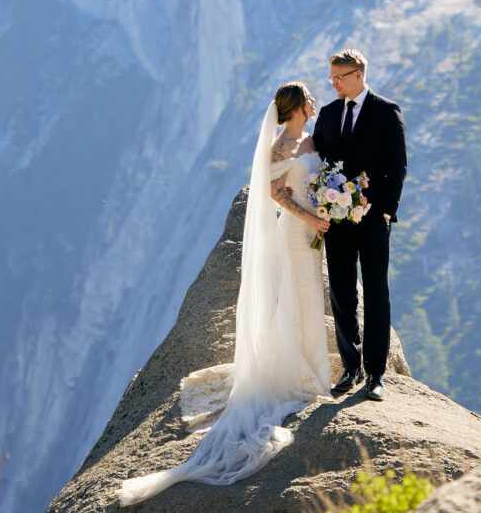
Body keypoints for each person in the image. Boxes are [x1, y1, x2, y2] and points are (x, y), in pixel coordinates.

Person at [117, 83, 331, 501]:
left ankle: (311, 367)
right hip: (295, 232)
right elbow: (274, 193)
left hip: (314, 229)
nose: (314, 100)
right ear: (295, 106)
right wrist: (310, 216)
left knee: (310, 298)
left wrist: (330, 204)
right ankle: (299, 373)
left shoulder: (309, 139)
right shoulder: (281, 146)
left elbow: (316, 179)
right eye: (308, 96)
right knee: (296, 298)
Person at [313, 48, 408, 402]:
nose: (334, 83)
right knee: (340, 292)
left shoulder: (386, 111)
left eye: (339, 77)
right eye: (331, 78)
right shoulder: (328, 113)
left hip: (373, 220)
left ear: (358, 74)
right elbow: (319, 162)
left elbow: (398, 166)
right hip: (336, 221)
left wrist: (386, 210)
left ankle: (376, 374)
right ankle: (350, 367)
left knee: (376, 293)